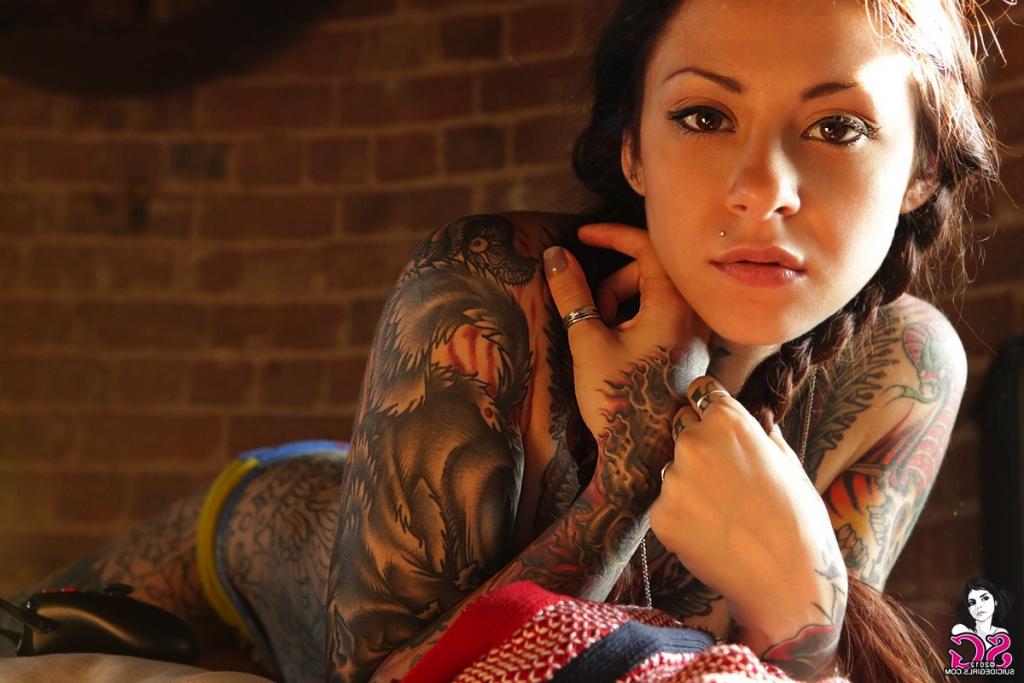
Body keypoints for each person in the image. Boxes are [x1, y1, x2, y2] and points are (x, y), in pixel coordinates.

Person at [3, 0, 1003, 681]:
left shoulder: (902, 370)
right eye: (703, 115)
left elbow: (788, 665)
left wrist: (807, 609)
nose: (759, 188)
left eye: (835, 128)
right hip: (210, 581)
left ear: (920, 169)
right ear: (633, 150)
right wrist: (628, 475)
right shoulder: (497, 286)